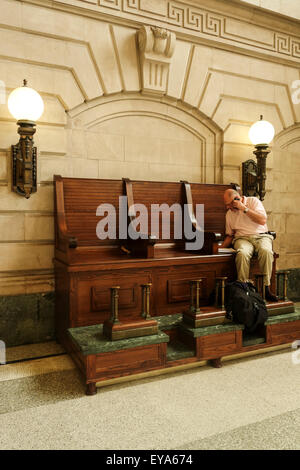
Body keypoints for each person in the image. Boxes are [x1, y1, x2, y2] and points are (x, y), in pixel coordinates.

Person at [220, 188, 278, 302]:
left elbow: (262, 220)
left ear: (237, 199)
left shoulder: (253, 201)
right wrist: (219, 248)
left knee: (266, 251)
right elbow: (230, 235)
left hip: (261, 236)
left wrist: (244, 208)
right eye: (226, 205)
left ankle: (266, 288)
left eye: (229, 204)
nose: (228, 207)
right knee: (242, 253)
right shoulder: (229, 214)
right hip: (242, 239)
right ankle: (243, 286)